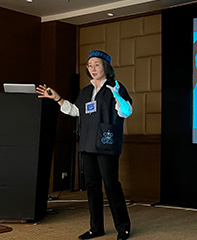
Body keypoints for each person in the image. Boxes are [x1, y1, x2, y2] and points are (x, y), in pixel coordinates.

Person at [36, 50, 132, 240]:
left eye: (97, 64)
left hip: (107, 143)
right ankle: (96, 228)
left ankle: (123, 228)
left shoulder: (116, 86)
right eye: (90, 65)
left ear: (106, 66)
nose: (93, 68)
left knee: (111, 185)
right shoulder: (86, 91)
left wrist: (118, 97)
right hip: (87, 144)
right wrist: (57, 98)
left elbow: (126, 111)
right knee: (92, 186)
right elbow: (75, 111)